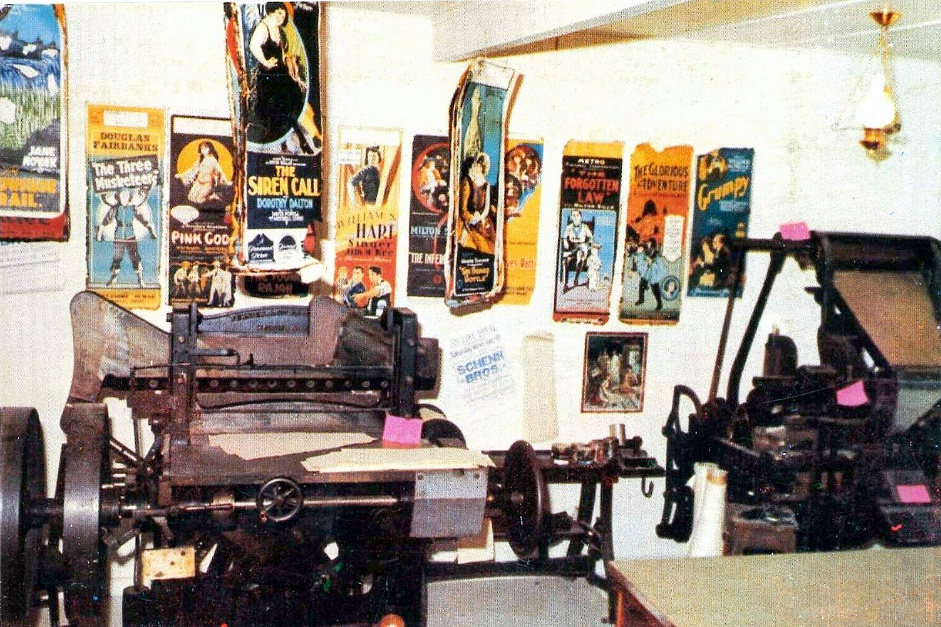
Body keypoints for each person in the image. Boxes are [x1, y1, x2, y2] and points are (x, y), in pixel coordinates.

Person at [248, 2, 305, 143]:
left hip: (280, 73)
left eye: (283, 16)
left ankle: (294, 135)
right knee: (272, 108)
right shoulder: (263, 27)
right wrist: (265, 62)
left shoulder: (277, 29)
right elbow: (254, 45)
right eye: (279, 13)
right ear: (271, 11)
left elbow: (281, 53)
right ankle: (273, 136)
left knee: (292, 98)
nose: (281, 18)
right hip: (269, 77)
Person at [96, 187, 157, 287]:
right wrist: (99, 233)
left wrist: (151, 230)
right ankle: (114, 278)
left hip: (130, 236)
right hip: (119, 236)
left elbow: (142, 219)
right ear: (118, 197)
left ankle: (140, 279)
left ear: (129, 197)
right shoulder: (115, 209)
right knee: (117, 257)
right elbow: (106, 220)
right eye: (122, 195)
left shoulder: (133, 208)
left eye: (126, 195)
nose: (124, 197)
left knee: (135, 257)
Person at [457, 152, 495, 254]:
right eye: (476, 165)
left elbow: (486, 207)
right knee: (474, 243)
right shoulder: (467, 181)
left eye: (480, 166)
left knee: (490, 247)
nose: (478, 168)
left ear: (483, 169)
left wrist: (480, 217)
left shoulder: (486, 184)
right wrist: (472, 218)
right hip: (467, 218)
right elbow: (463, 208)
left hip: (481, 218)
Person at [177, 141, 231, 205]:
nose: (204, 150)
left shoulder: (212, 160)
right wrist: (181, 174)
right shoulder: (200, 160)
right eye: (202, 148)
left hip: (207, 183)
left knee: (199, 200)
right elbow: (192, 169)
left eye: (206, 148)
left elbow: (220, 171)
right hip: (198, 182)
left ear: (210, 149)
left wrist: (226, 181)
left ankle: (213, 196)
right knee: (191, 198)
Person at [561, 209, 593, 288]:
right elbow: (564, 237)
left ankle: (576, 278)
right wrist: (565, 242)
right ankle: (566, 283)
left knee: (580, 255)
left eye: (577, 215)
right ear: (572, 217)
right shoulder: (569, 227)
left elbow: (591, 238)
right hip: (572, 248)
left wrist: (588, 244)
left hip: (581, 248)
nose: (575, 217)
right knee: (566, 261)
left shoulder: (585, 227)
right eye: (574, 215)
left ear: (580, 217)